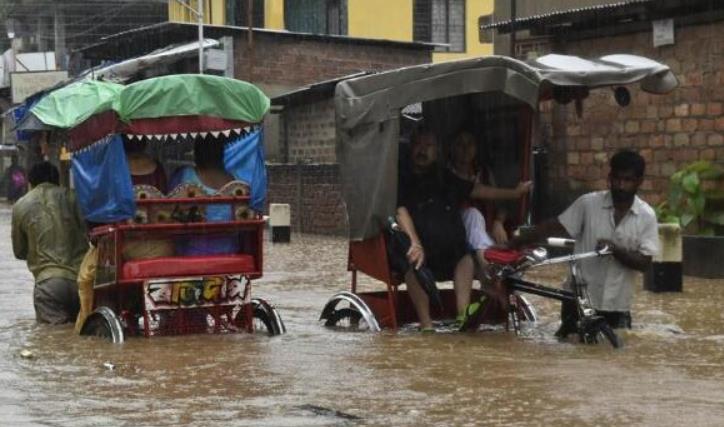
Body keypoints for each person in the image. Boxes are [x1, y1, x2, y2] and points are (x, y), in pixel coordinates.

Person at [509, 149, 659, 336]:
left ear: (639, 182)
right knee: (572, 353)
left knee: (616, 358)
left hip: (617, 306)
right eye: (617, 179)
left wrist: (615, 251)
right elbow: (554, 226)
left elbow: (644, 263)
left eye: (627, 180)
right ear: (609, 177)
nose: (621, 186)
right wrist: (515, 242)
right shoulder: (588, 204)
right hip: (577, 300)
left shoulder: (647, 216)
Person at [396, 128, 531, 330]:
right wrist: (415, 241)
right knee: (413, 261)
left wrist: (514, 194)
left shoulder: (444, 176)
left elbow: (477, 190)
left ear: (437, 151)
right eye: (418, 145)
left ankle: (463, 318)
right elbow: (400, 210)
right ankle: (426, 325)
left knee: (465, 258)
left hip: (451, 249)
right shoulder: (402, 176)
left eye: (428, 146)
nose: (422, 150)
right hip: (418, 248)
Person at [75, 139, 170, 332]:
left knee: (85, 279)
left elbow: (98, 212)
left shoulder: (109, 169)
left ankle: (82, 332)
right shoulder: (157, 168)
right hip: (163, 245)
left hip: (123, 245)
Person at [12, 162, 87, 324]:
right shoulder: (74, 197)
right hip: (82, 281)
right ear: (58, 180)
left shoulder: (21, 205)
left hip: (48, 285)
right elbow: (90, 233)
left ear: (30, 183)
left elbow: (19, 251)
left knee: (53, 340)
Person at [449, 131, 528, 269]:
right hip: (455, 233)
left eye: (470, 144)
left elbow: (501, 204)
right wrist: (515, 193)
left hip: (486, 231)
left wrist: (498, 222)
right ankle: (491, 266)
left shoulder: (484, 172)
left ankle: (492, 259)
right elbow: (478, 191)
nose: (465, 148)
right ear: (452, 148)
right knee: (472, 214)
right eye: (460, 144)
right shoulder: (447, 173)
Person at [169, 137, 237, 255]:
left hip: (190, 248)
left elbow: (168, 204)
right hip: (229, 248)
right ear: (221, 154)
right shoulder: (233, 180)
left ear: (197, 152)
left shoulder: (184, 174)